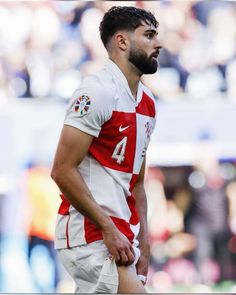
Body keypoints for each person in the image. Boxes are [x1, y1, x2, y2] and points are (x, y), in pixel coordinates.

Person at [51, 6, 161, 293]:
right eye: (148, 35)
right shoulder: (95, 92)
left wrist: (144, 242)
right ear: (122, 42)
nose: (158, 43)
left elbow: (136, 183)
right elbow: (62, 170)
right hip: (91, 234)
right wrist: (107, 228)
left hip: (121, 236)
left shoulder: (148, 102)